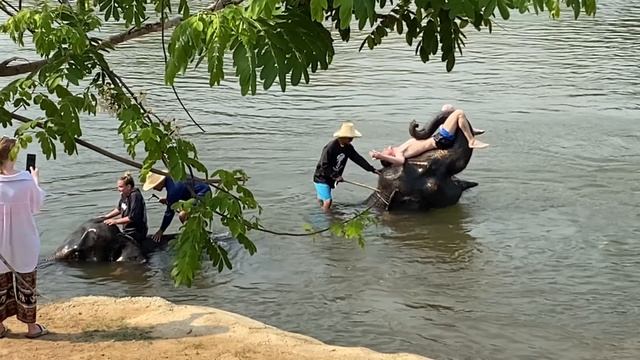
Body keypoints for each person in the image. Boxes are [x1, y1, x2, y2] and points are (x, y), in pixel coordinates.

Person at [0, 136, 48, 339]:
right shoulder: (26, 180)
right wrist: (35, 180)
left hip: (0, 244)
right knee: (27, 284)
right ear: (14, 155)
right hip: (24, 241)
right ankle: (31, 328)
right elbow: (36, 206)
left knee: (0, 285)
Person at [369, 107, 489, 166]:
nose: (384, 149)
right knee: (459, 113)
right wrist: (381, 156)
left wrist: (380, 155)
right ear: (388, 156)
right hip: (440, 139)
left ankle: (467, 129)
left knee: (447, 109)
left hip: (438, 136)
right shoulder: (399, 153)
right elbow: (400, 161)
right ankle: (471, 140)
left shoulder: (397, 149)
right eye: (384, 151)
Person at [313, 122, 380, 211]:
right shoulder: (330, 147)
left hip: (331, 178)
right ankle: (325, 220)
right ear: (342, 137)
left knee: (322, 198)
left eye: (352, 137)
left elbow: (358, 159)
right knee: (328, 201)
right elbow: (324, 165)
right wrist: (336, 176)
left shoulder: (348, 147)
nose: (351, 139)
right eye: (349, 138)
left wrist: (372, 169)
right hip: (321, 177)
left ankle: (320, 211)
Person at [142, 172, 211, 242]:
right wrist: (167, 200)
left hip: (203, 195)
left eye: (154, 186)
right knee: (185, 212)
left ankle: (194, 238)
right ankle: (197, 232)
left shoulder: (173, 189)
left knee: (182, 215)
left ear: (159, 182)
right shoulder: (173, 177)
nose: (154, 188)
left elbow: (169, 212)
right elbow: (181, 192)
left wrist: (161, 230)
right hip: (197, 193)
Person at [101, 172, 148, 244]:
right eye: (118, 187)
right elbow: (119, 209)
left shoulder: (135, 196)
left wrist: (115, 221)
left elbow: (132, 218)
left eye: (121, 187)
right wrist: (106, 217)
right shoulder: (124, 195)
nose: (118, 189)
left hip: (137, 231)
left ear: (128, 186)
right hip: (127, 230)